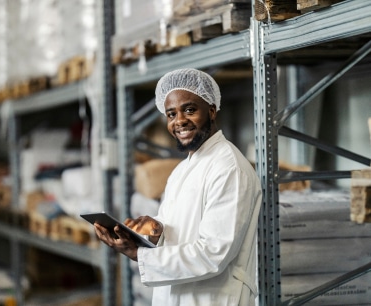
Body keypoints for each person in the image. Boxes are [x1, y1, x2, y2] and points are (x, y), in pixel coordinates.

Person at [94, 68, 262, 306]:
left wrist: (139, 255)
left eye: (190, 110)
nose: (179, 121)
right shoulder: (182, 170)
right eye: (171, 114)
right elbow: (181, 233)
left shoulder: (229, 168)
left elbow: (214, 253)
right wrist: (156, 232)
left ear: (212, 111)